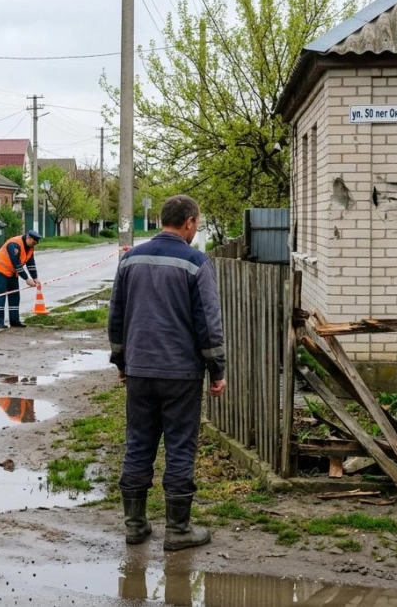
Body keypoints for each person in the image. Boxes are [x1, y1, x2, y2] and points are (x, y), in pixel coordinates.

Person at [108, 194, 226, 551]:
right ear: (188, 222)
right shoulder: (196, 262)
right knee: (179, 447)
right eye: (197, 223)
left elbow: (116, 315)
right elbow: (208, 323)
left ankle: (135, 525)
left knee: (138, 444)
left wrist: (121, 362)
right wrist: (217, 369)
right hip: (181, 373)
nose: (196, 228)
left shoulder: (130, 259)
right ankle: (178, 530)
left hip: (140, 370)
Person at [0, 230, 42, 329]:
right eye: (33, 242)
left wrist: (35, 278)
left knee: (14, 295)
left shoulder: (30, 248)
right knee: (1, 295)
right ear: (28, 237)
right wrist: (27, 279)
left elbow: (30, 263)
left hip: (13, 272)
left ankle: (14, 321)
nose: (34, 244)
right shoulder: (14, 244)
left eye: (36, 243)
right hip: (0, 269)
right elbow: (16, 264)